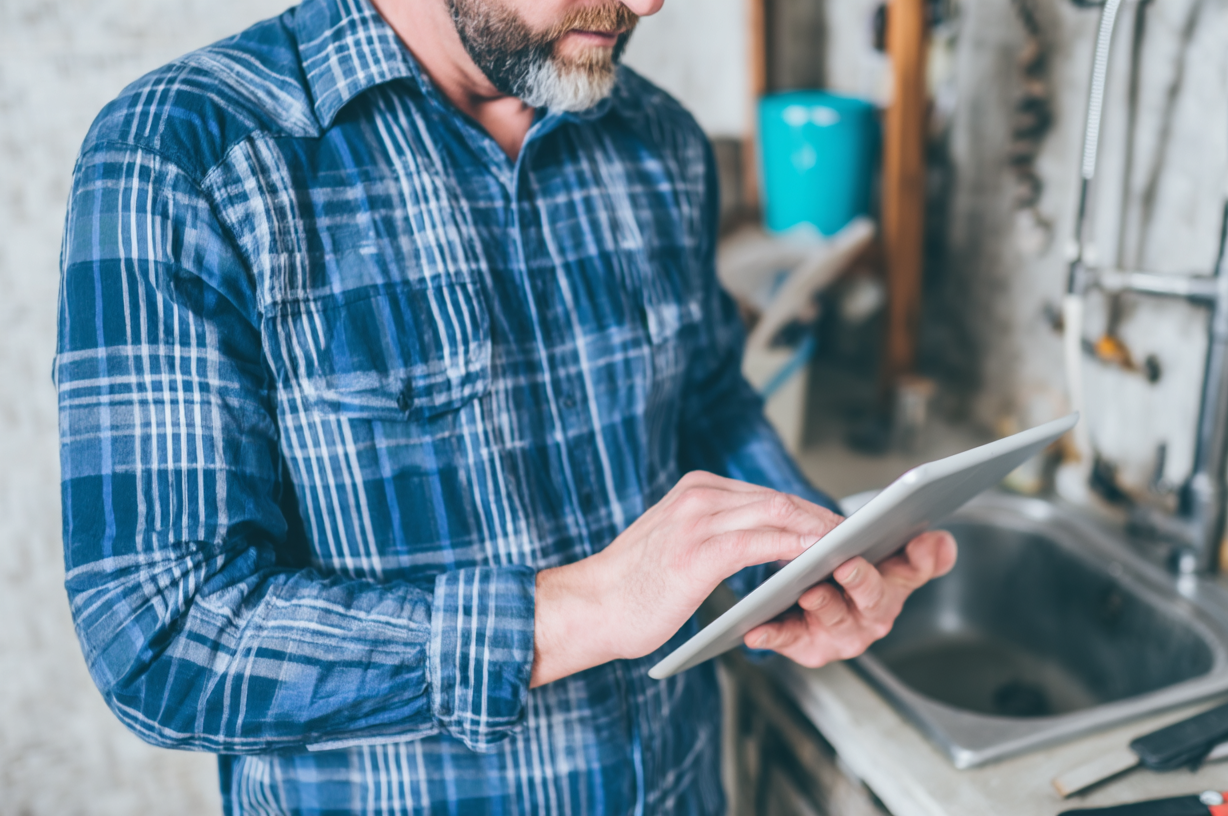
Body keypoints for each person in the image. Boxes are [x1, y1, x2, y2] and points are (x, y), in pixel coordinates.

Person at [54, 0, 956, 812]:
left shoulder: (658, 138)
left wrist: (807, 564)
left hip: (678, 785)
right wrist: (577, 611)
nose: (649, 3)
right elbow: (163, 641)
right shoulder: (185, 154)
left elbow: (707, 397)